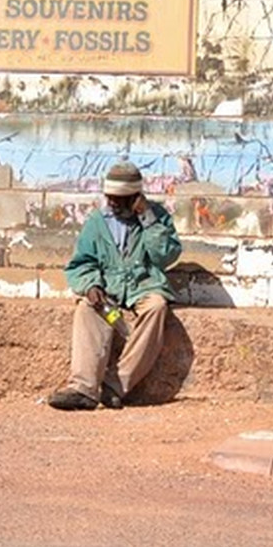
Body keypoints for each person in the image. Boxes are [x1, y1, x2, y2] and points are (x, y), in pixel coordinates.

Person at [48, 161, 183, 411]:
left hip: (144, 286)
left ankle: (115, 386)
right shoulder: (97, 221)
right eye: (110, 198)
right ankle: (83, 389)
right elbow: (81, 263)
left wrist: (147, 219)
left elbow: (165, 256)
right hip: (108, 289)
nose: (114, 204)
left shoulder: (158, 217)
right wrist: (90, 284)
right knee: (87, 309)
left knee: (156, 307)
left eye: (121, 200)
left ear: (136, 198)